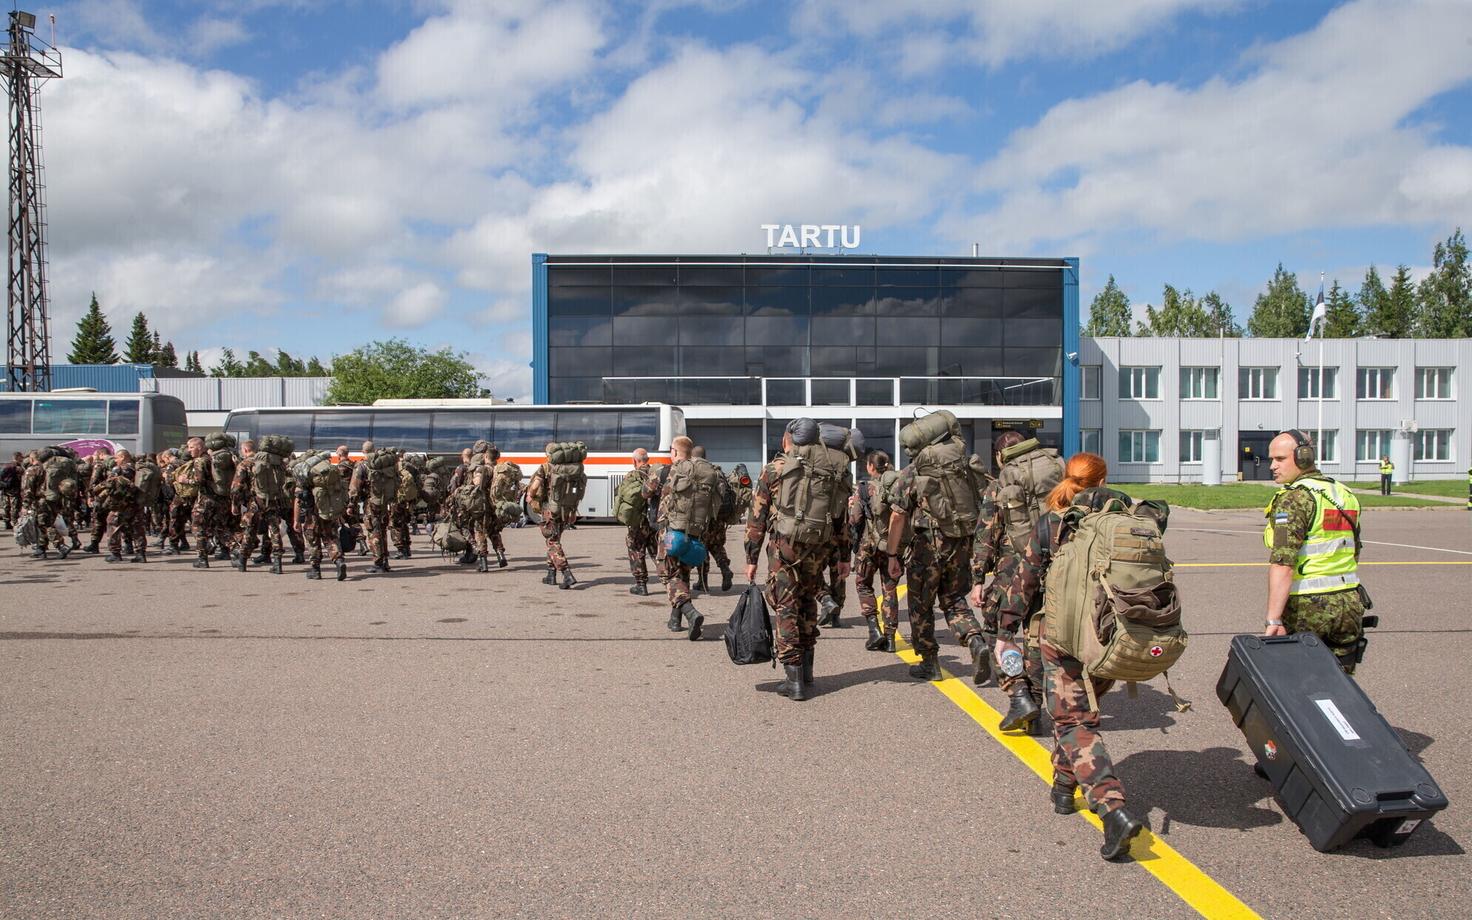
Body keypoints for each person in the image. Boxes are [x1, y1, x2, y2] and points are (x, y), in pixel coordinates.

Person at [995, 451, 1155, 861]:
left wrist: (1006, 630)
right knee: (1079, 712)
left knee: (1072, 721)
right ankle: (1064, 788)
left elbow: (1024, 581)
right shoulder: (1133, 517)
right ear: (1102, 480)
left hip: (1062, 635)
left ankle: (1111, 807)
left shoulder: (1052, 522)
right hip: (1110, 636)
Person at [745, 420, 852, 701]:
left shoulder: (775, 469)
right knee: (807, 602)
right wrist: (844, 557)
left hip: (785, 547)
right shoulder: (832, 470)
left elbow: (756, 517)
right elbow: (842, 520)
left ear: (787, 440)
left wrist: (751, 557)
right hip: (819, 546)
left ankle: (793, 679)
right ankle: (806, 673)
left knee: (786, 606)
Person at [969, 430, 1063, 728]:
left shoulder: (1000, 484)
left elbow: (985, 536)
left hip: (1013, 571)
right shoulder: (1057, 473)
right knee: (1035, 637)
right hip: (1054, 566)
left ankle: (1019, 693)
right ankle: (1034, 711)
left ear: (1000, 456)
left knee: (1000, 634)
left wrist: (977, 579)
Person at [885, 413, 986, 682]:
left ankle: (930, 662)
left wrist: (892, 553)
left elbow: (897, 515)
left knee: (920, 606)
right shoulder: (963, 464)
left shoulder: (914, 471)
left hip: (927, 548)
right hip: (961, 542)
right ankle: (975, 640)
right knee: (954, 600)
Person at [1264, 430, 1366, 673]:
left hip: (1309, 606)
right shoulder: (1344, 494)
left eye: (1279, 459)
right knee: (1341, 684)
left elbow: (1283, 562)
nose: (1272, 466)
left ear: (1303, 457)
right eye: (1271, 459)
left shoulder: (1294, 498)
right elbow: (1354, 549)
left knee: (1302, 686)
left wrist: (1274, 619)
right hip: (1349, 602)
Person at [654, 436, 722, 637]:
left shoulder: (672, 470)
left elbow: (650, 493)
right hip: (695, 532)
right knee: (682, 575)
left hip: (671, 531)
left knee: (667, 574)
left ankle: (691, 613)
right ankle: (675, 620)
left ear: (674, 452)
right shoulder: (705, 473)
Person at [851, 450, 901, 653]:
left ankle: (874, 630)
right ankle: (890, 638)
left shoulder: (863, 489)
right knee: (889, 588)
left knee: (863, 585)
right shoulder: (897, 487)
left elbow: (855, 520)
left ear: (871, 467)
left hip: (868, 546)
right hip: (892, 545)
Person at [526, 442, 585, 589]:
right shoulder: (572, 468)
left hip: (550, 510)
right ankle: (550, 574)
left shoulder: (546, 467)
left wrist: (529, 495)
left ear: (548, 454)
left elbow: (535, 486)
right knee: (554, 539)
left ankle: (566, 573)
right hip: (566, 509)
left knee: (552, 542)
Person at [98, 449, 147, 563]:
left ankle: (115, 553)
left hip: (121, 504)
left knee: (112, 524)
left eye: (117, 458)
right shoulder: (137, 468)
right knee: (137, 528)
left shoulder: (119, 470)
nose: (115, 460)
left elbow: (111, 485)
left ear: (123, 457)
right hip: (136, 503)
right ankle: (141, 554)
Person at [623, 448, 659, 596]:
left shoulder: (632, 475)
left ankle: (641, 584)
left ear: (634, 461)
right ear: (647, 459)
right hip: (655, 520)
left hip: (639, 521)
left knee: (636, 549)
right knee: (657, 552)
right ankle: (670, 580)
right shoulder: (656, 474)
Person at [1, 450, 23, 529]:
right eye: (21, 457)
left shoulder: (6, 465)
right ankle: (15, 523)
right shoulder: (18, 467)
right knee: (15, 507)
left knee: (6, 507)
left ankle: (7, 522)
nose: (22, 459)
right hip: (14, 490)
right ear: (17, 457)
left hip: (5, 489)